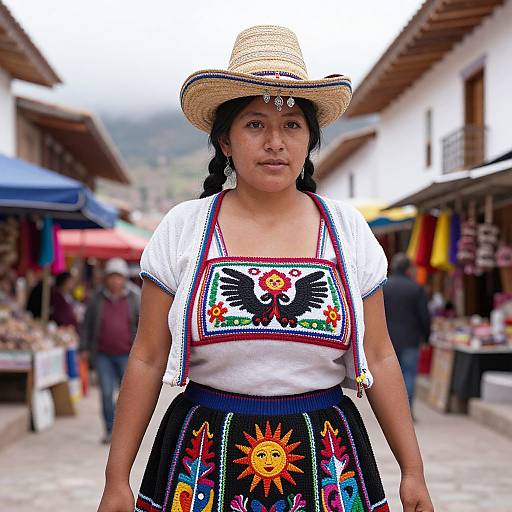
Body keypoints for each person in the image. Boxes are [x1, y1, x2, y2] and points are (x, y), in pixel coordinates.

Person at [98, 26, 433, 512]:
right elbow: (148, 356)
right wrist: (115, 479)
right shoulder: (183, 229)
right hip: (203, 458)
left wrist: (413, 471)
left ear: (309, 141)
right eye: (255, 124)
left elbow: (379, 356)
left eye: (292, 126)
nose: (275, 141)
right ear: (226, 142)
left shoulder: (348, 231)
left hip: (327, 460)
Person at [80, 258, 140, 444]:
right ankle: (109, 430)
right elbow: (87, 325)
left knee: (126, 395)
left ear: (124, 279)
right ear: (106, 278)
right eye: (112, 277)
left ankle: (123, 433)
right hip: (103, 354)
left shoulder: (135, 297)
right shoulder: (96, 298)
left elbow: (143, 326)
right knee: (106, 392)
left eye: (119, 277)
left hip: (126, 354)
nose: (115, 281)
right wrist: (84, 348)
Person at [383, 253, 431, 413]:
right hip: (411, 339)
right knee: (409, 374)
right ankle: (407, 411)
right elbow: (424, 316)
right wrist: (427, 336)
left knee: (390, 375)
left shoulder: (384, 287)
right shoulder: (416, 288)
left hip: (388, 339)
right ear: (409, 269)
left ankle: (392, 411)